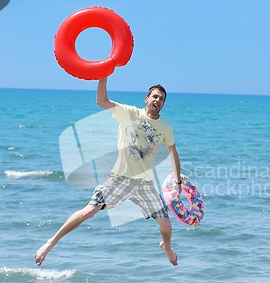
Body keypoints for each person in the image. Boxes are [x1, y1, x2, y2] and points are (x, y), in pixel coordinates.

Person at [35, 77, 181, 266]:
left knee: (166, 225)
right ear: (146, 98)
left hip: (144, 183)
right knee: (89, 212)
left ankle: (167, 247)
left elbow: (173, 152)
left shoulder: (165, 128)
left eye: (161, 99)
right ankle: (50, 243)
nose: (158, 101)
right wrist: (103, 74)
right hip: (120, 178)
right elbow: (101, 101)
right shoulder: (129, 113)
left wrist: (178, 181)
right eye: (155, 96)